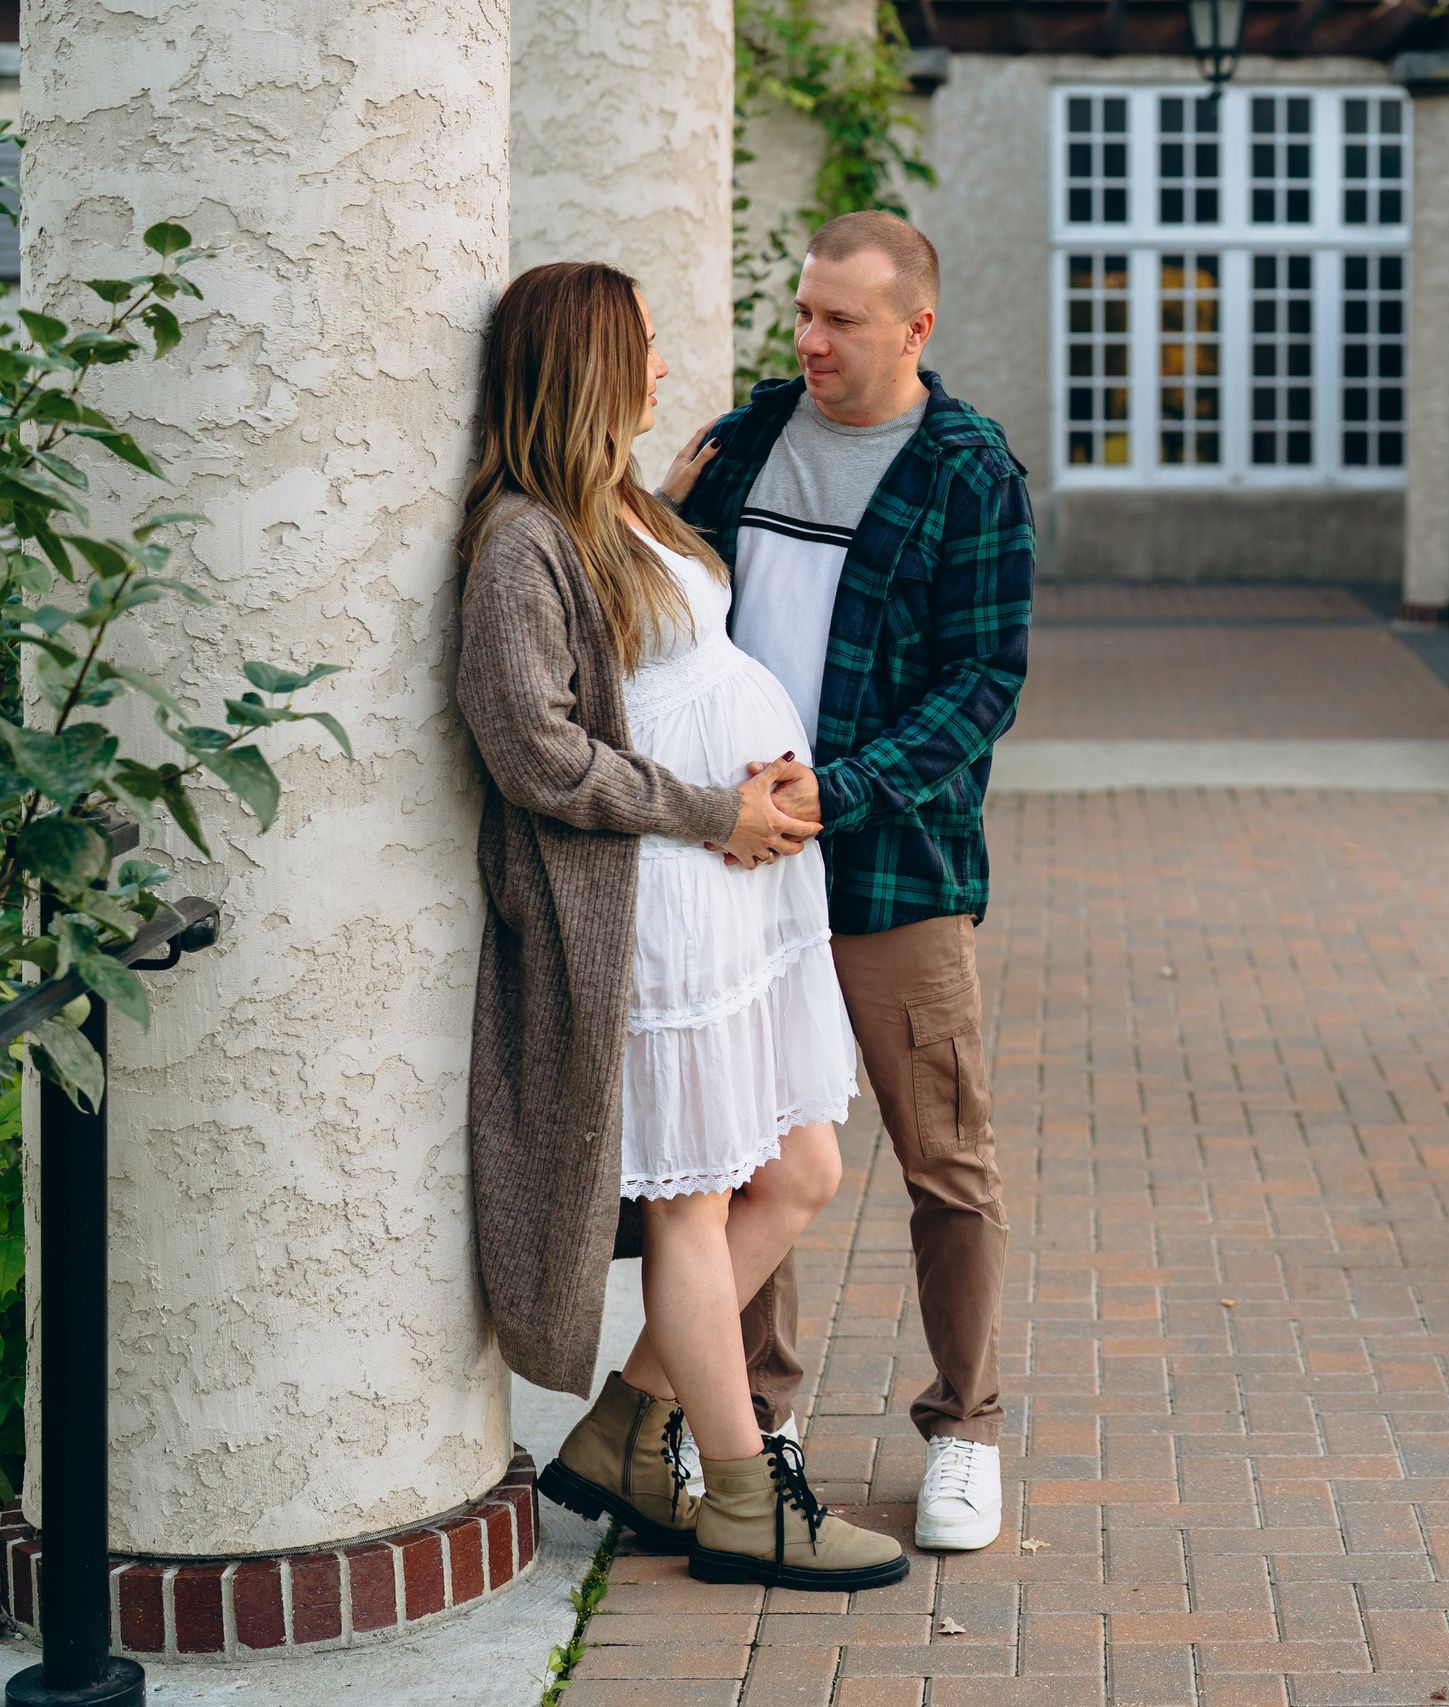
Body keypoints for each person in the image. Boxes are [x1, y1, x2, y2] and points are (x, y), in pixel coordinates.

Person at [456, 259, 905, 1591]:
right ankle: (745, 1492)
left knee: (804, 1170)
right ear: (591, 365)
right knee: (698, 1211)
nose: (663, 371)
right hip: (657, 896)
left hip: (732, 889)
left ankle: (619, 1436)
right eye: (645, 350)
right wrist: (717, 807)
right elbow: (535, 753)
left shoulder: (626, 503)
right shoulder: (520, 540)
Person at [660, 210, 1033, 1554]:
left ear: (915, 329)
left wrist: (849, 784)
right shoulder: (752, 438)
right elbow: (672, 612)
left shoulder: (968, 472)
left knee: (945, 1156)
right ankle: (758, 1418)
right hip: (744, 857)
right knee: (751, 1147)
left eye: (843, 322)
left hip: (894, 863)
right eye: (804, 315)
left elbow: (979, 685)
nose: (811, 341)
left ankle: (967, 1430)